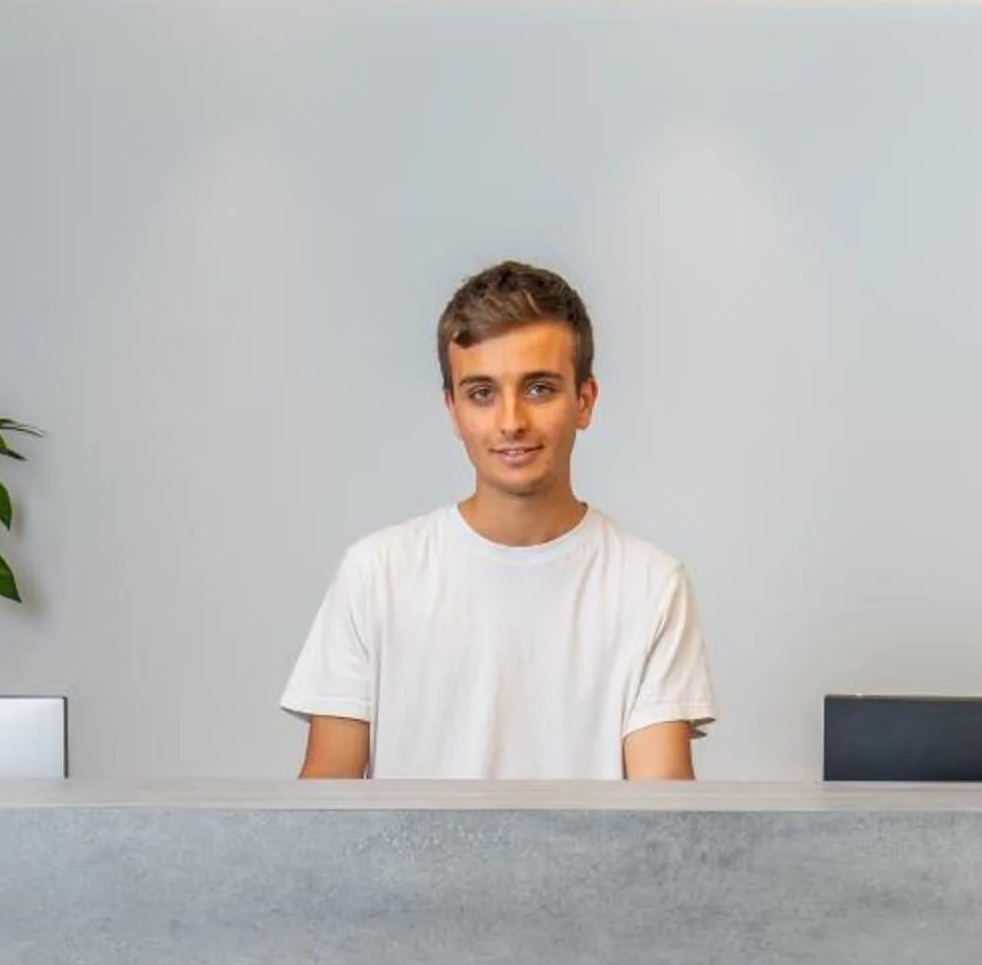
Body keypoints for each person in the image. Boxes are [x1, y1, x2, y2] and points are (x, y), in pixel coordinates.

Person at [281, 261, 715, 779]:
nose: (511, 422)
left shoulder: (651, 585)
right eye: (482, 393)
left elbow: (664, 831)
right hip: (407, 866)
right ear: (453, 409)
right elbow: (322, 816)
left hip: (595, 866)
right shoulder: (375, 575)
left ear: (585, 400)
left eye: (538, 388)